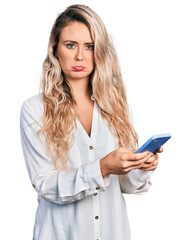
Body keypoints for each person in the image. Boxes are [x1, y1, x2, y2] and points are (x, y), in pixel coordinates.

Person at [20, 4, 162, 240]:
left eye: (90, 46)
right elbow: (45, 185)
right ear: (55, 50)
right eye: (70, 45)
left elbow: (125, 186)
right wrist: (103, 167)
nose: (80, 56)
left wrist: (140, 166)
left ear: (100, 51)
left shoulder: (117, 106)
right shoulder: (35, 109)